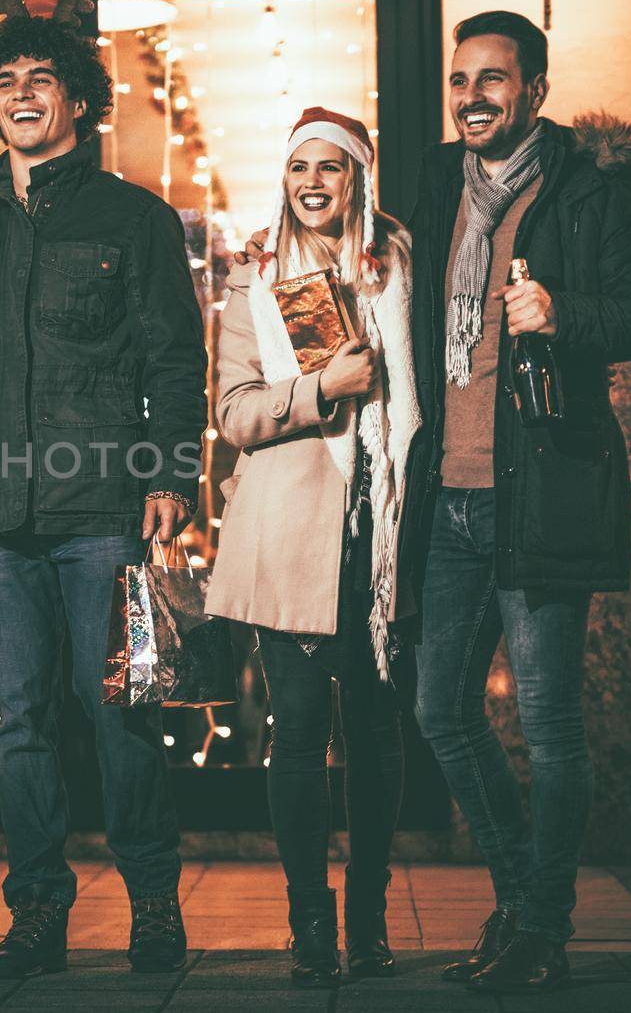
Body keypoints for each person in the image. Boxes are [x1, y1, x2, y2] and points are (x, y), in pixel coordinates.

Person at [0, 0, 208, 978]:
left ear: (78, 99)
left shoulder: (132, 221)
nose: (19, 95)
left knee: (120, 712)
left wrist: (171, 475)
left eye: (39, 79)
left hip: (101, 510)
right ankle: (38, 910)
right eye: (4, 83)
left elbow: (175, 358)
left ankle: (152, 902)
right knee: (22, 722)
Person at [400, 11, 631, 993]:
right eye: (459, 79)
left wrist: (567, 316)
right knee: (440, 710)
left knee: (551, 725)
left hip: (543, 491)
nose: (471, 96)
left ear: (533, 89)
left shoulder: (588, 190)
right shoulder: (439, 183)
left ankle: (541, 928)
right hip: (449, 499)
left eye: (491, 79)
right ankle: (522, 903)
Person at [207, 109, 419, 989]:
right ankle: (309, 927)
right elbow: (234, 413)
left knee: (375, 738)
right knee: (296, 735)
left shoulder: (400, 270)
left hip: (384, 538)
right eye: (301, 167)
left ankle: (367, 921)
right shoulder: (255, 282)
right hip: (291, 539)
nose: (315, 182)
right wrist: (320, 388)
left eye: (332, 167)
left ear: (358, 179)